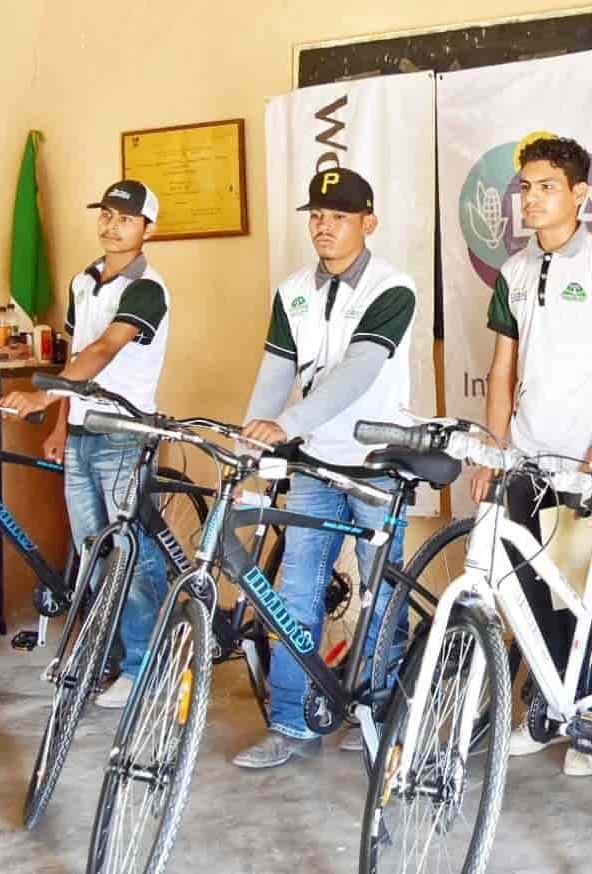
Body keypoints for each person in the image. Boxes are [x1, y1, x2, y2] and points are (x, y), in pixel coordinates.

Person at [231, 166, 418, 769]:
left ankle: (381, 719)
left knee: (380, 593)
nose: (324, 227)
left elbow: (359, 370)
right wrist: (251, 439)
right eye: (316, 216)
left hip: (376, 464)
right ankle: (291, 720)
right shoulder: (293, 292)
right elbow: (274, 372)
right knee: (294, 590)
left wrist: (287, 424)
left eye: (338, 217)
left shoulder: (394, 289)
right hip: (313, 464)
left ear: (368, 223)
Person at [471, 134, 592, 778]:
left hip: (582, 462)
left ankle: (585, 725)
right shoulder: (513, 272)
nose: (534, 199)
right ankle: (545, 709)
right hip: (524, 458)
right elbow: (498, 371)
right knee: (528, 591)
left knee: (578, 595)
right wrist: (493, 451)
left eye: (548, 187)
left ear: (579, 195)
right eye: (526, 188)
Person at [1, 179, 173, 710]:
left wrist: (39, 393)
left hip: (124, 434)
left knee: (131, 555)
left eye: (125, 218)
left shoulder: (148, 288)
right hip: (80, 432)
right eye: (105, 214)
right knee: (92, 550)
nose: (111, 224)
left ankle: (149, 664)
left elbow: (102, 350)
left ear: (148, 228)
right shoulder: (84, 280)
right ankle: (112, 655)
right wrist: (58, 423)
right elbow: (75, 348)